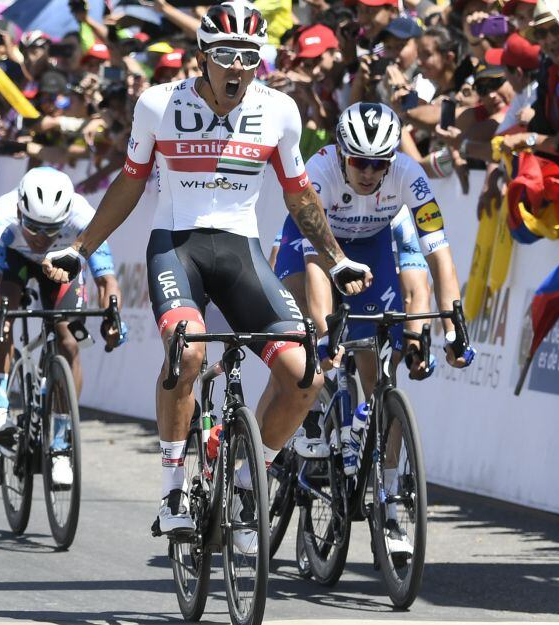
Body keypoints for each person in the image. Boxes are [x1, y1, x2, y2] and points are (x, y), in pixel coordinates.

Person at [41, 1, 369, 553]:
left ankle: (248, 481)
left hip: (241, 253)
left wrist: (335, 258)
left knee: (306, 376)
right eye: (225, 56)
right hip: (177, 248)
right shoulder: (157, 104)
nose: (238, 68)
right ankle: (172, 488)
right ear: (202, 57)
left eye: (249, 56)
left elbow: (298, 193)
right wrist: (80, 247)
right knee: (188, 354)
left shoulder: (280, 110)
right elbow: (129, 183)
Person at [272, 102, 475, 554]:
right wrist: (325, 336)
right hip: (316, 243)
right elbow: (316, 262)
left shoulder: (408, 174)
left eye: (378, 164)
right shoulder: (320, 170)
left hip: (371, 246)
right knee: (304, 326)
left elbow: (437, 255)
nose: (368, 172)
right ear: (342, 153)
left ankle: (388, 501)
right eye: (360, 162)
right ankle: (305, 412)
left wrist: (454, 324)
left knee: (382, 377)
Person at [0, 167, 124, 486]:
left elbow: (106, 280)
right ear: (19, 211)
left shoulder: (83, 216)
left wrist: (112, 317)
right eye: (32, 226)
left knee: (69, 340)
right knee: (3, 317)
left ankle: (61, 442)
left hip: (61, 265)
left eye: (51, 228)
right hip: (15, 261)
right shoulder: (2, 215)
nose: (42, 236)